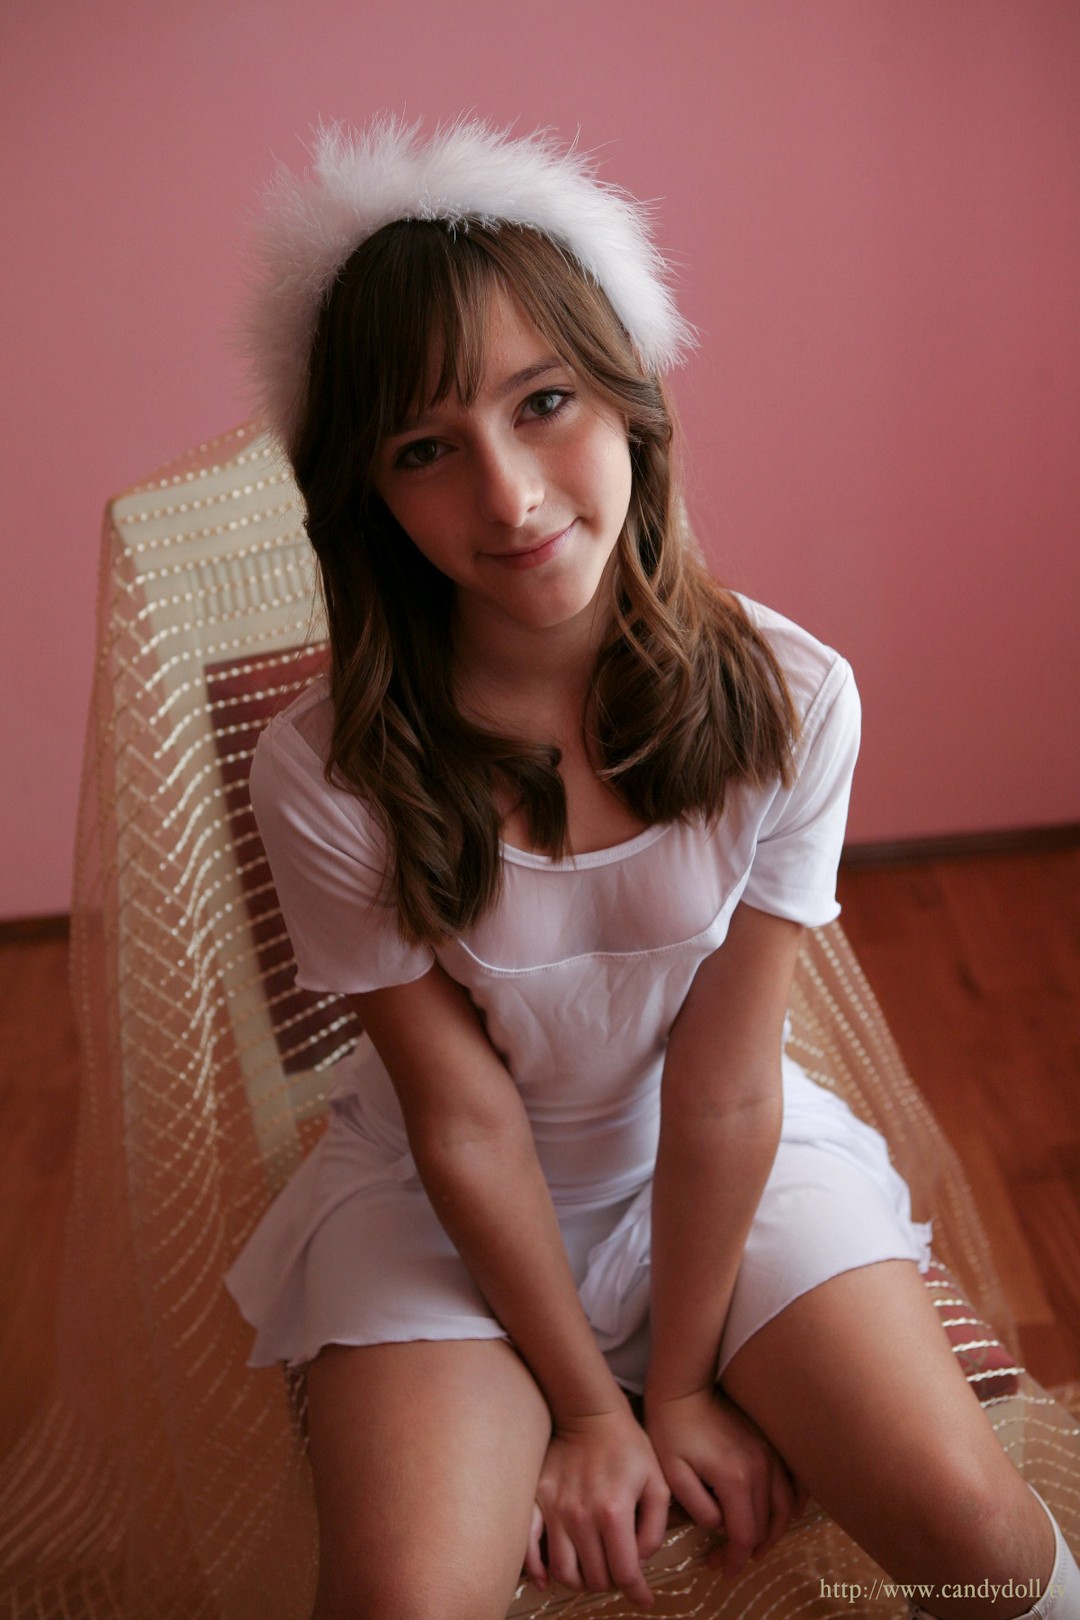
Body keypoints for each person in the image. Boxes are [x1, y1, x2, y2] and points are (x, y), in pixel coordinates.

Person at [225, 119, 1079, 1620]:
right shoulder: (327, 770)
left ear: (631, 399)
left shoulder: (795, 699)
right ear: (371, 498)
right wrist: (590, 1409)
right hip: (437, 1200)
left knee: (973, 1527)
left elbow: (731, 1084)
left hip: (723, 1163)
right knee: (402, 1597)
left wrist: (676, 1383)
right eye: (425, 449)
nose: (508, 496)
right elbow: (461, 1119)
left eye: (543, 402)